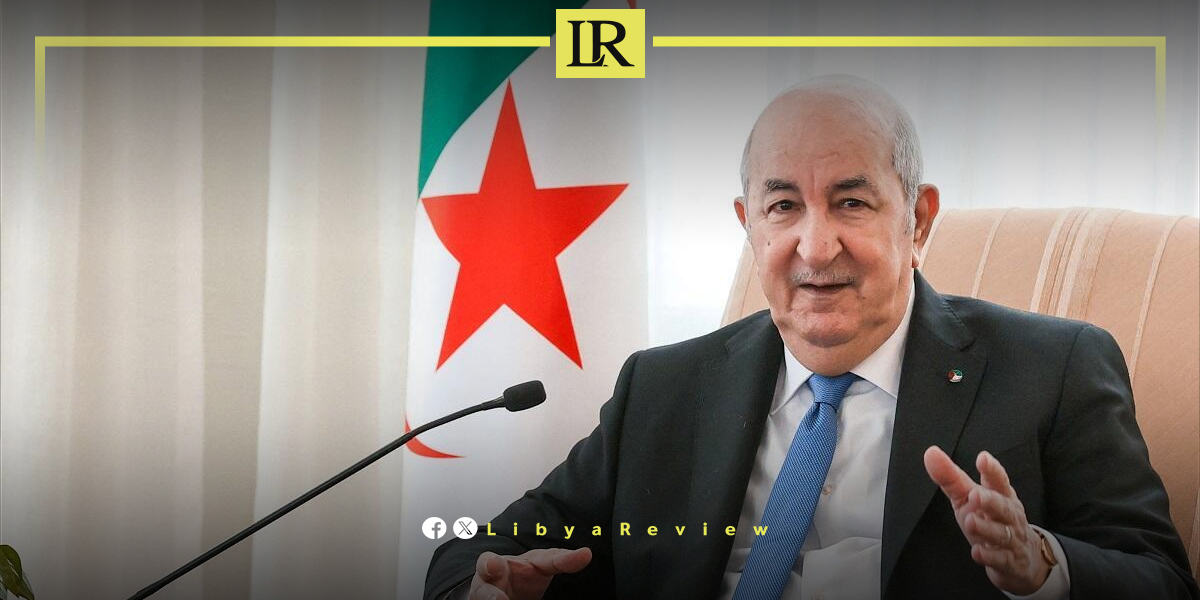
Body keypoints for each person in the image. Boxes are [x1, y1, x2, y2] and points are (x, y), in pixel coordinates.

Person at [423, 75, 1198, 600]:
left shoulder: (1053, 368)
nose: (816, 247)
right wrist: (484, 587)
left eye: (852, 203)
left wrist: (1042, 566)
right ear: (748, 225)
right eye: (784, 206)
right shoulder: (663, 387)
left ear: (918, 220)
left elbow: (1160, 578)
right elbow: (478, 553)